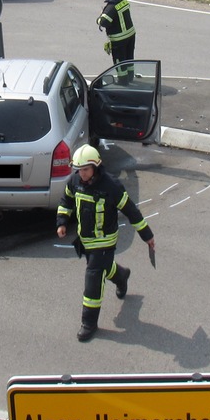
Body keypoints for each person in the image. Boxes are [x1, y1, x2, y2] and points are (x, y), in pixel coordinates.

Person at [56, 145, 155, 342]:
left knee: (93, 279)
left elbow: (131, 211)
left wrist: (147, 235)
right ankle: (121, 276)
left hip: (104, 241)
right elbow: (66, 200)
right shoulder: (75, 181)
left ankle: (88, 323)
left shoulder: (111, 186)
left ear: (96, 166)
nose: (82, 174)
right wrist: (62, 222)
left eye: (85, 169)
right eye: (79, 169)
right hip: (86, 240)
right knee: (101, 269)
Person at [97, 0, 136, 80]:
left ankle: (123, 82)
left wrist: (100, 17)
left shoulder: (111, 8)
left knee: (120, 61)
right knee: (129, 58)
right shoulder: (124, 1)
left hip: (119, 39)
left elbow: (104, 22)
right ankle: (131, 77)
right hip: (131, 35)